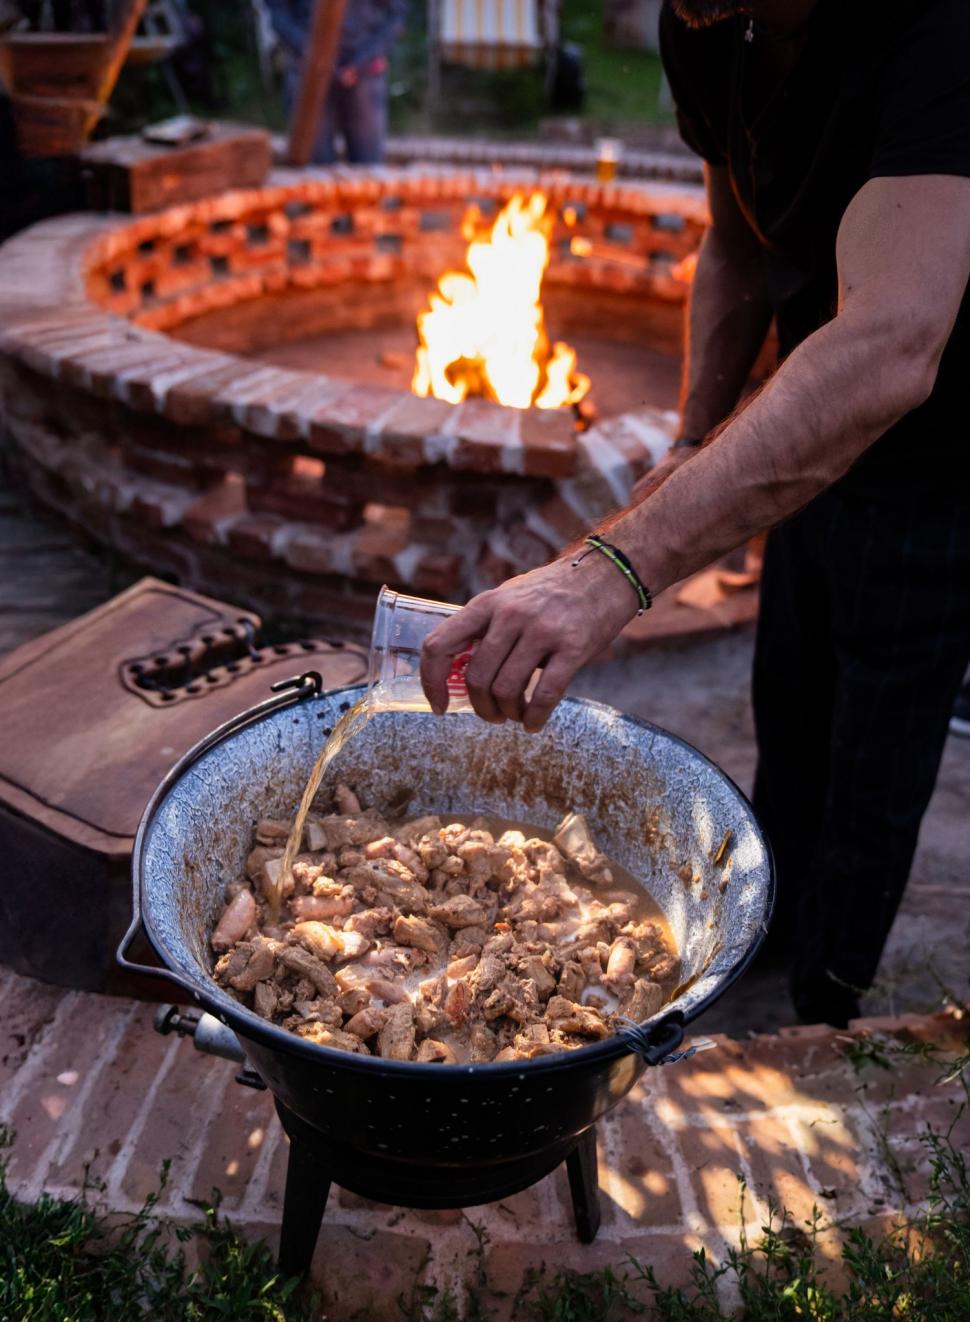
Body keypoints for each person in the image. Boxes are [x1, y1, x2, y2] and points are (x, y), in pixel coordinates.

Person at [419, 0, 970, 1028]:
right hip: (796, 418)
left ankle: (823, 1012)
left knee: (878, 755)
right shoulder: (709, 19)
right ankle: (764, 944)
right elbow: (734, 241)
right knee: (791, 710)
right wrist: (690, 442)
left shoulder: (939, 34)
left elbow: (892, 342)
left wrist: (607, 570)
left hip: (938, 463)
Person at [266, 0, 408, 165]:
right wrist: (311, 52)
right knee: (314, 175)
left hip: (364, 73)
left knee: (369, 172)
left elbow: (398, 12)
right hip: (306, 73)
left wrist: (365, 57)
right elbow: (277, 13)